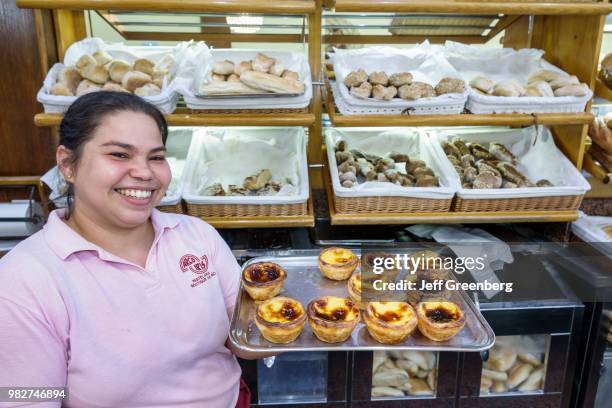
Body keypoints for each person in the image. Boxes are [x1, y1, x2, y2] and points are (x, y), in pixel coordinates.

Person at [0, 92, 256, 407]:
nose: (145, 172)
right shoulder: (23, 281)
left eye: (156, 157)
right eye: (120, 155)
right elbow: (27, 398)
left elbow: (245, 339)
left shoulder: (196, 235)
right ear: (67, 164)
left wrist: (310, 317)